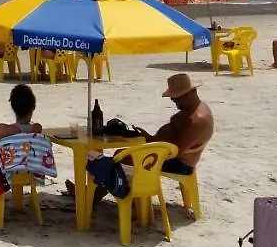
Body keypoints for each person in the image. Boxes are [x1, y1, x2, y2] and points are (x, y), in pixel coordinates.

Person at [71, 73, 213, 202]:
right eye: (173, 99)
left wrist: (152, 147)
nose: (175, 102)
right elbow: (175, 140)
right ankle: (98, 191)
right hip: (168, 152)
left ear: (191, 93)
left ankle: (96, 194)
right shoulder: (197, 109)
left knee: (121, 157)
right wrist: (150, 139)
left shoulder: (195, 120)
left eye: (177, 99)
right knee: (122, 155)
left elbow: (177, 151)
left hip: (180, 163)